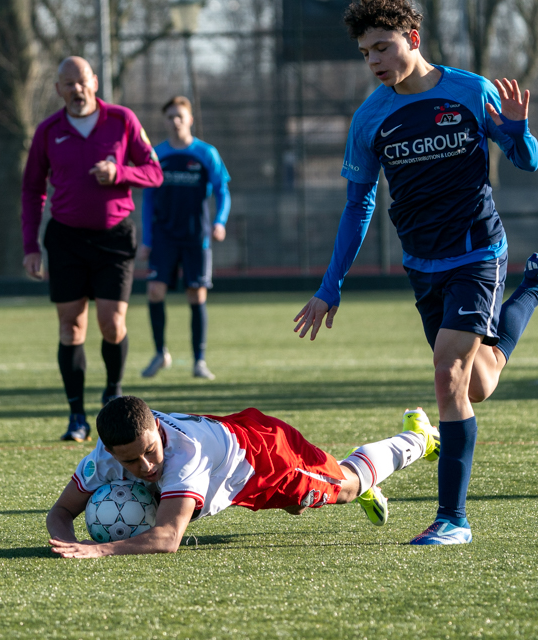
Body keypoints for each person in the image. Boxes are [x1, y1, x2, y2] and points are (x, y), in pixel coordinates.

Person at [292, 0, 538, 545]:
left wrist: (517, 131)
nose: (373, 59)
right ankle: (537, 286)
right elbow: (358, 207)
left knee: (448, 376)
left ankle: (453, 520)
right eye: (365, 52)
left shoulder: (470, 90)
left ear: (413, 39)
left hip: (478, 253)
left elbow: (527, 160)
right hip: (422, 264)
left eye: (382, 46)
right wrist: (331, 287)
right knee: (477, 383)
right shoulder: (370, 118)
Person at [47, 396, 440, 557]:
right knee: (297, 506)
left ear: (155, 429)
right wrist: (66, 545)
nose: (147, 466)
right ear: (111, 452)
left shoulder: (186, 457)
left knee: (347, 487)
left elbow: (167, 539)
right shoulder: (104, 457)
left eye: (151, 451)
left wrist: (98, 549)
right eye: (132, 462)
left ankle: (419, 437)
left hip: (263, 457)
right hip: (226, 452)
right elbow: (61, 511)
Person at [22, 57, 163, 443]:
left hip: (114, 238)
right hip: (65, 240)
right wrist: (30, 245)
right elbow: (32, 189)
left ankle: (112, 395)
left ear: (94, 82)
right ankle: (76, 417)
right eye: (67, 83)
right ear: (58, 90)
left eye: (82, 81)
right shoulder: (48, 131)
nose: (76, 89)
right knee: (71, 326)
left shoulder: (122, 120)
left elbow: (154, 172)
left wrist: (121, 173)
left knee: (112, 323)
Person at [138, 96, 231, 381]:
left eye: (180, 116)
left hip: (196, 237)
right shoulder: (157, 155)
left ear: (190, 119)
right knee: (155, 291)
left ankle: (199, 361)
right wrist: (147, 238)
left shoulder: (206, 153)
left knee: (196, 294)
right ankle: (159, 353)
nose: (175, 121)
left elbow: (222, 191)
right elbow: (148, 199)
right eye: (170, 117)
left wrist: (219, 222)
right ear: (164, 121)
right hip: (164, 237)